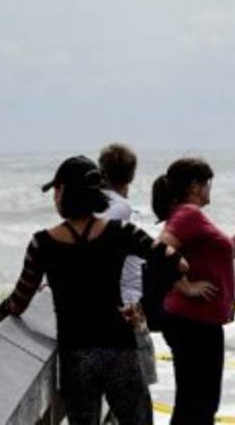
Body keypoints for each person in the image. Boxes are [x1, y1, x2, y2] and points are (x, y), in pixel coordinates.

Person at [0, 155, 188, 425]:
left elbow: (19, 301)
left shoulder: (41, 244)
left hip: (76, 357)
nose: (55, 198)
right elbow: (178, 264)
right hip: (120, 349)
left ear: (63, 192)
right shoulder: (122, 232)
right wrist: (145, 303)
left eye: (57, 190)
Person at [153, 157, 235, 425]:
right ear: (196, 186)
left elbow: (230, 251)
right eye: (207, 184)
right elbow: (159, 249)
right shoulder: (189, 214)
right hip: (192, 321)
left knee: (198, 402)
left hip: (197, 321)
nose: (210, 189)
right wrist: (186, 286)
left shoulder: (189, 216)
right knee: (197, 405)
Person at [96, 143, 157, 388]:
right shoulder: (120, 208)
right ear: (131, 175)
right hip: (127, 305)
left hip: (113, 302)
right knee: (138, 385)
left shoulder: (97, 205)